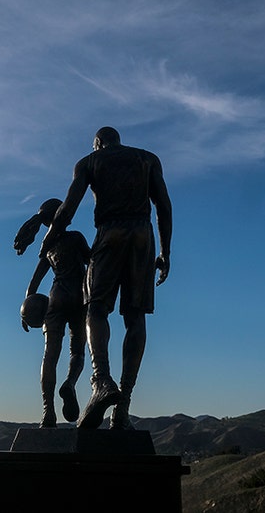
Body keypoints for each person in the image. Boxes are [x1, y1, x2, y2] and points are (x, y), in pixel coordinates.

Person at [41, 126, 172, 430]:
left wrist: (49, 240)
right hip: (143, 235)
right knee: (136, 317)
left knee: (96, 308)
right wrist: (165, 253)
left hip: (110, 232)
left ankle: (101, 379)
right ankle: (122, 409)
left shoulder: (89, 162)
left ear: (98, 144)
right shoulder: (148, 159)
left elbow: (67, 210)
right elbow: (163, 206)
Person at [16, 197, 89, 427]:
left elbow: (33, 284)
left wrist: (25, 313)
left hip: (54, 299)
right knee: (77, 351)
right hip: (79, 298)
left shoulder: (47, 248)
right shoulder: (76, 238)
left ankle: (48, 411)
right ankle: (70, 383)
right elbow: (92, 262)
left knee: (50, 356)